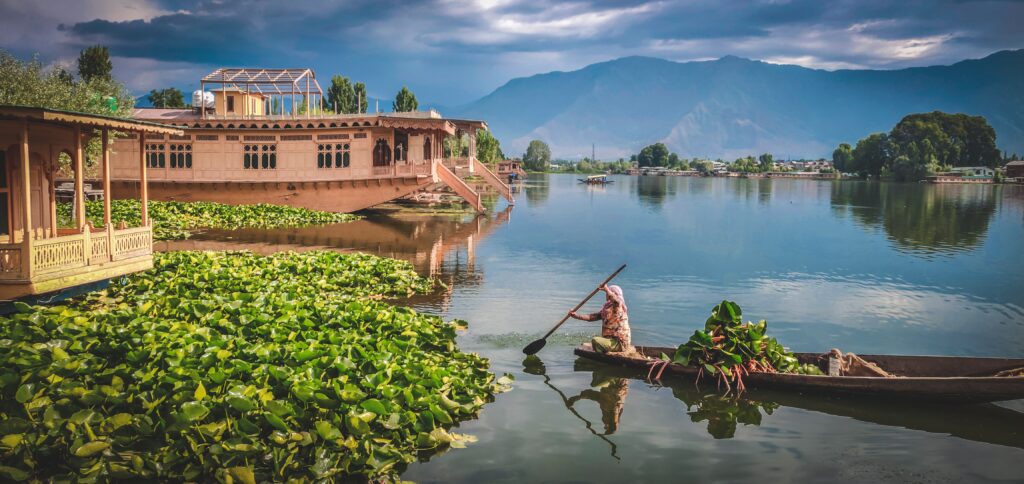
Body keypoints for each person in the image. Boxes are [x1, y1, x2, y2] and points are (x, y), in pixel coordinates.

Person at [569, 284, 632, 354]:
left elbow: (617, 301)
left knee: (595, 340)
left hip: (619, 343)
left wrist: (607, 289)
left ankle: (603, 355)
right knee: (597, 341)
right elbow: (592, 317)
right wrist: (576, 316)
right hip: (611, 340)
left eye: (607, 293)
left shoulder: (618, 306)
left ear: (614, 294)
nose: (606, 295)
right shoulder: (607, 308)